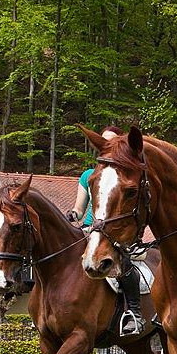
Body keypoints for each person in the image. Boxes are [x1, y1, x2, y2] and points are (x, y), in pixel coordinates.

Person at [68, 125, 145, 338]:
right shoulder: (88, 175)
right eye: (103, 142)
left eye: (112, 141)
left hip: (113, 230)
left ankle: (134, 313)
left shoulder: (122, 173)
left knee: (124, 260)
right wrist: (73, 215)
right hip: (90, 229)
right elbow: (79, 208)